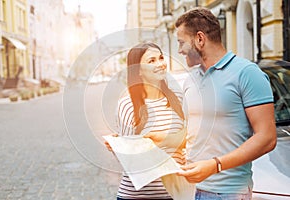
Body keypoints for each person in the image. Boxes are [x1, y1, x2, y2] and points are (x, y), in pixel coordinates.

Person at [173, 7, 277, 199]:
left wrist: (215, 165)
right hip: (192, 190)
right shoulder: (190, 79)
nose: (179, 50)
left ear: (200, 39)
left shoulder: (247, 73)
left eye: (181, 43)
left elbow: (267, 138)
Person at [108, 42, 186, 200]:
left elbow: (187, 141)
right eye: (151, 61)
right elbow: (129, 161)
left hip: (174, 194)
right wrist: (120, 147)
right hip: (136, 195)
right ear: (138, 71)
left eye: (161, 58)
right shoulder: (127, 105)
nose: (160, 64)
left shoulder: (177, 99)